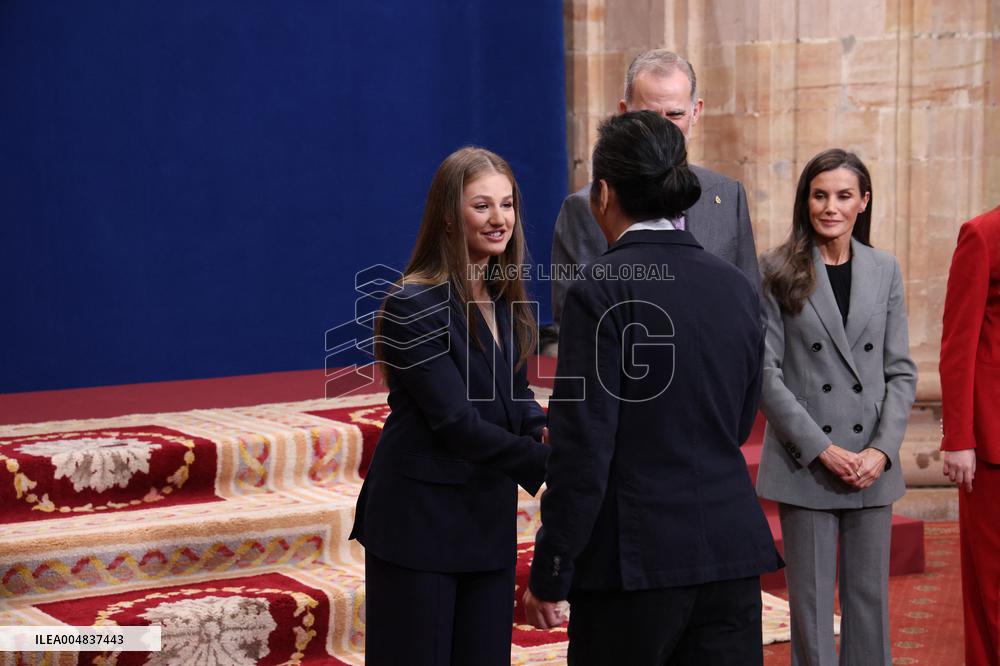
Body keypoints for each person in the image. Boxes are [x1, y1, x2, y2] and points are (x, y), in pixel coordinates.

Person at [523, 110, 781, 665]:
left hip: (635, 564)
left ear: (603, 195)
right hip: (730, 554)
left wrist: (552, 568)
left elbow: (583, 449)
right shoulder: (736, 286)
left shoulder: (600, 287)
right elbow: (738, 422)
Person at [349, 147, 549, 666]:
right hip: (421, 525)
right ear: (447, 213)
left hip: (486, 517)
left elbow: (517, 396)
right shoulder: (410, 303)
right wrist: (551, 462)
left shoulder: (508, 299)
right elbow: (455, 422)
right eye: (482, 206)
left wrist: (548, 430)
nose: (499, 219)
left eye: (507, 205)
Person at [755, 149, 918, 665]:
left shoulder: (884, 269)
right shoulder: (777, 268)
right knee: (810, 607)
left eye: (844, 196)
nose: (830, 206)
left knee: (869, 604)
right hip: (809, 463)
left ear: (863, 202)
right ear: (805, 201)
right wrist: (822, 448)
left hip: (871, 464)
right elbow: (765, 373)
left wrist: (882, 451)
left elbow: (900, 371)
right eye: (820, 194)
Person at [544, 49, 758, 354]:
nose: (663, 130)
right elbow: (577, 327)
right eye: (649, 116)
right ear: (623, 113)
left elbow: (752, 313)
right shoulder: (584, 208)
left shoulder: (728, 196)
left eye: (675, 115)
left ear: (696, 111)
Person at [939, 204, 1000, 666]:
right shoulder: (983, 234)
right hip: (994, 440)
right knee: (992, 587)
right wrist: (959, 436)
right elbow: (958, 340)